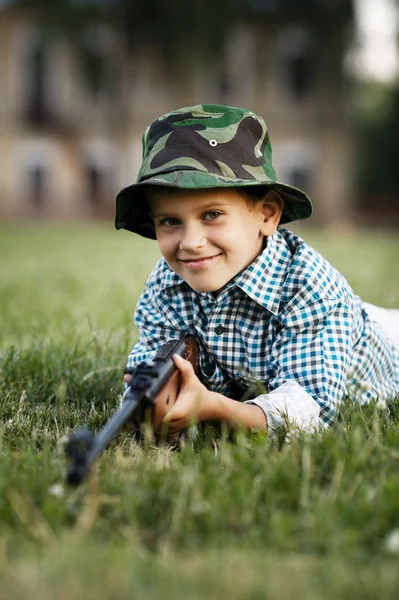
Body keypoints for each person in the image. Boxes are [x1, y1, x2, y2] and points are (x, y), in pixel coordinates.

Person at [115, 104, 399, 439]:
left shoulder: (309, 286)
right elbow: (153, 358)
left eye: (211, 215)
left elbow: (313, 408)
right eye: (170, 221)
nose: (190, 242)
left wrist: (218, 408)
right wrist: (153, 400)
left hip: (383, 345)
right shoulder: (167, 283)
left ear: (266, 215)